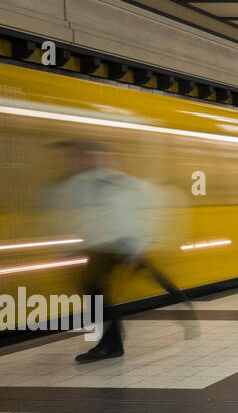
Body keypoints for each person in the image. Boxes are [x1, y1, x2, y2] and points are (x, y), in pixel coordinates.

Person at [43, 139, 196, 363]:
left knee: (97, 292)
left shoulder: (116, 183)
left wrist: (134, 247)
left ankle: (113, 343)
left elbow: (125, 216)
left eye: (79, 157)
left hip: (118, 246)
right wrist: (71, 248)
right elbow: (81, 218)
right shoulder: (81, 184)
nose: (73, 162)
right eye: (72, 158)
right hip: (101, 248)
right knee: (105, 289)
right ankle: (179, 306)